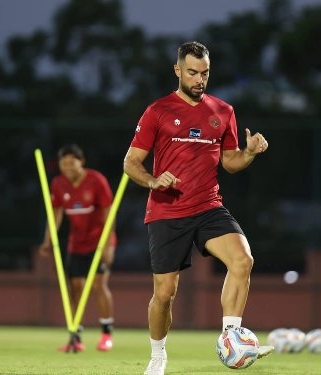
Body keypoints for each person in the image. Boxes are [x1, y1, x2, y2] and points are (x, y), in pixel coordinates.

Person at [123, 41, 273, 375]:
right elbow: (131, 162)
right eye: (192, 72)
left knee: (242, 259)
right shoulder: (157, 111)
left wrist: (248, 152)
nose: (199, 79)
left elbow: (230, 163)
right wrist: (151, 180)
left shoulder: (223, 111)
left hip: (209, 206)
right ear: (178, 71)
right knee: (165, 294)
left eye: (204, 73)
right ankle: (158, 356)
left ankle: (231, 337)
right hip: (167, 211)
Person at [38, 143, 116, 353]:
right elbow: (55, 214)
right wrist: (48, 240)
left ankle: (106, 334)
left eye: (71, 163)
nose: (68, 168)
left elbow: (109, 212)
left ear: (81, 162)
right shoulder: (58, 183)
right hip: (76, 242)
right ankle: (76, 337)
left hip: (99, 241)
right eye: (63, 164)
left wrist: (108, 245)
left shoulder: (96, 180)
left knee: (99, 284)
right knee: (75, 289)